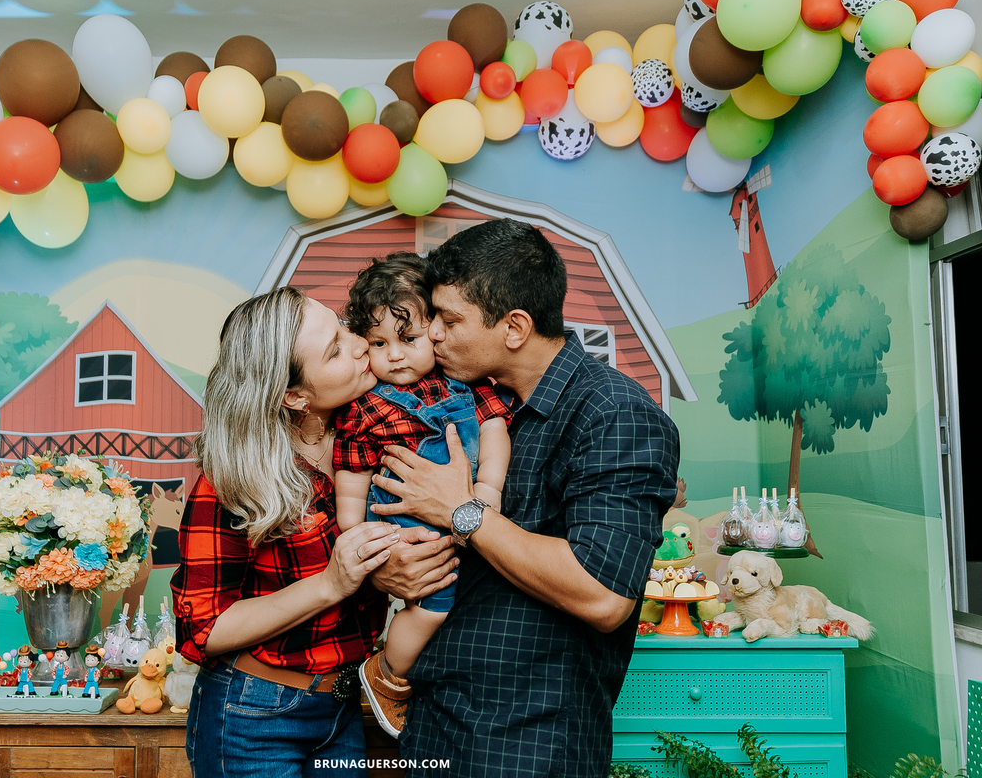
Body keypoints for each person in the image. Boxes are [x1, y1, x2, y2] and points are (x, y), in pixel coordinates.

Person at [369, 218, 680, 778]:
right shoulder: (481, 405)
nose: (432, 334)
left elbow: (603, 595)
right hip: (438, 720)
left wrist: (461, 511)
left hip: (525, 741)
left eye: (449, 320)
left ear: (514, 327)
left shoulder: (614, 413)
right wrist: (392, 569)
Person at [172, 287, 443, 777]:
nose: (360, 344)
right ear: (294, 396)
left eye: (344, 328)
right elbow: (205, 630)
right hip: (252, 714)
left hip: (342, 707)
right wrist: (331, 584)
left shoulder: (381, 430)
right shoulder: (236, 477)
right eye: (335, 350)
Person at [332, 252, 511, 738]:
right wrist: (358, 534)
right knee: (434, 606)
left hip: (469, 513)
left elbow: (494, 430)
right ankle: (388, 674)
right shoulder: (364, 407)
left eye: (407, 339)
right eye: (379, 343)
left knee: (473, 602)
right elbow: (352, 473)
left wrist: (488, 487)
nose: (394, 355)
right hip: (405, 530)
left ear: (434, 329)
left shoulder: (465, 383)